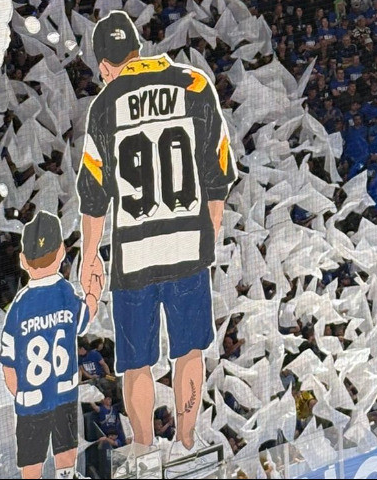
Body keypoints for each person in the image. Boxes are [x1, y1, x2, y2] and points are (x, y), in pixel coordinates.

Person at [77, 11, 237, 460]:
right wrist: (209, 235)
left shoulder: (104, 106)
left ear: (104, 65)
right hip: (187, 245)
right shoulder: (195, 85)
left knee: (136, 363)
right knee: (189, 351)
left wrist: (90, 257)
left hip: (135, 253)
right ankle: (187, 438)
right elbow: (219, 174)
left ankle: (144, 448)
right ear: (138, 49)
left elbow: (93, 195)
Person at [0, 211, 96, 479]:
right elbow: (83, 320)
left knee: (32, 460)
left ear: (23, 260)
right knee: (65, 449)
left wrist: (22, 395)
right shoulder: (65, 291)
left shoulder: (18, 306)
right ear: (61, 252)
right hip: (64, 392)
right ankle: (67, 475)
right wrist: (94, 294)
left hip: (31, 399)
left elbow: (8, 364)